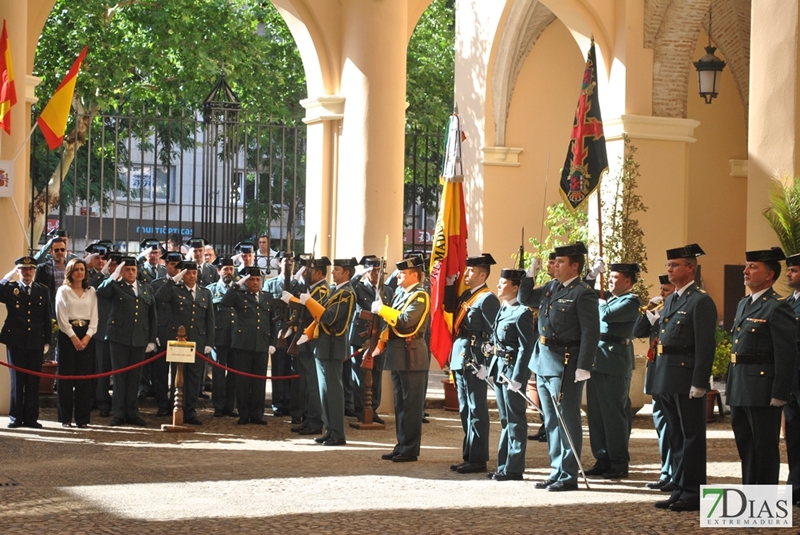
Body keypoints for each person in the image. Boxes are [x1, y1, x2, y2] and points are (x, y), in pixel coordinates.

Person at [518, 241, 599, 492]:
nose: (556, 265)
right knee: (551, 419)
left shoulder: (583, 292)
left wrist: (584, 364)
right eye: (556, 261)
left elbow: (590, 332)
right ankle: (557, 469)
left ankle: (568, 473)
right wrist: (529, 274)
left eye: (561, 262)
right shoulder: (552, 287)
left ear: (575, 266)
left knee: (567, 418)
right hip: (544, 360)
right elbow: (524, 298)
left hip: (566, 362)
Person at [650, 244, 716, 512]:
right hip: (667, 376)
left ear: (690, 268)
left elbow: (705, 344)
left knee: (691, 437)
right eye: (668, 265)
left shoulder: (700, 300)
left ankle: (692, 492)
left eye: (675, 265)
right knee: (675, 436)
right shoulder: (674, 299)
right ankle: (678, 488)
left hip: (687, 376)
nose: (669, 269)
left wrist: (700, 382)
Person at [727, 247, 795, 485]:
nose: (745, 271)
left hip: (762, 389)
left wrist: (780, 392)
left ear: (769, 275)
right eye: (747, 266)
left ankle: (763, 501)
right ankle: (750, 498)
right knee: (745, 445)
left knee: (764, 448)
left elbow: (786, 354)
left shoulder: (777, 306)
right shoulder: (743, 304)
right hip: (740, 385)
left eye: (752, 267)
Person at [285, 258, 357, 445]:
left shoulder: (346, 294)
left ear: (347, 273)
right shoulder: (335, 291)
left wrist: (309, 302)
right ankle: (330, 430)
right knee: (325, 393)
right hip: (324, 346)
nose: (333, 273)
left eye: (338, 270)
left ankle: (338, 434)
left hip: (333, 347)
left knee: (333, 392)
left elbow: (328, 317)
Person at [584, 263, 642, 480]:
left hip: (614, 361)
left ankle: (618, 462)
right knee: (597, 414)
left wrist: (596, 303)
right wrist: (591, 276)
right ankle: (602, 459)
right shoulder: (610, 298)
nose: (609, 280)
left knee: (614, 415)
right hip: (598, 361)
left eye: (615, 277)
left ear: (627, 281)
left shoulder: (631, 301)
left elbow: (606, 314)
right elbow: (587, 298)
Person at [446, 253, 500, 474]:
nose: (465, 274)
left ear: (482, 274)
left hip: (475, 359)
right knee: (465, 409)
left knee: (476, 408)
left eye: (470, 271)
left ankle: (478, 458)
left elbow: (494, 333)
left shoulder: (487, 299)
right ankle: (469, 454)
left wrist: (487, 362)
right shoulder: (469, 295)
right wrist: (449, 285)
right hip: (461, 356)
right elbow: (450, 310)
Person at [372, 255, 431, 462]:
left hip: (412, 354)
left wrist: (382, 310)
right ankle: (401, 444)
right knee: (401, 404)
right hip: (399, 352)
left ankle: (410, 448)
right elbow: (391, 324)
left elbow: (406, 322)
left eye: (403, 273)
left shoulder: (420, 296)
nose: (398, 276)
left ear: (415, 275)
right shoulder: (400, 293)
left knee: (412, 405)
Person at [96, 257, 158, 426]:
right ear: (122, 272)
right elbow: (100, 293)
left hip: (139, 338)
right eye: (127, 270)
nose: (131, 273)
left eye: (133, 270)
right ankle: (118, 413)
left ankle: (132, 412)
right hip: (119, 338)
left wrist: (151, 339)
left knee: (134, 378)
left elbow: (152, 316)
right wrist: (112, 277)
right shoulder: (115, 286)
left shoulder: (146, 288)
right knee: (119, 377)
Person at [486, 268, 534, 481]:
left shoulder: (522, 312)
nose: (499, 285)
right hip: (499, 368)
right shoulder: (503, 310)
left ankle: (514, 468)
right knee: (505, 419)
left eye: (503, 283)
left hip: (511, 371)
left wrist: (518, 376)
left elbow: (526, 347)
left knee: (515, 419)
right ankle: (503, 465)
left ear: (515, 287)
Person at [155, 261, 215, 426]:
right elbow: (159, 296)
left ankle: (191, 411)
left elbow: (209, 319)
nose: (192, 276)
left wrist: (209, 341)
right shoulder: (174, 290)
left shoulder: (205, 293)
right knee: (178, 375)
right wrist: (175, 279)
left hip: (198, 340)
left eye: (194, 273)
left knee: (195, 378)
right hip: (179, 341)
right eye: (188, 273)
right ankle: (177, 408)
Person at [633, 274, 676, 492]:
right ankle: (666, 472)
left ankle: (674, 473)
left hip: (670, 374)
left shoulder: (674, 314)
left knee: (673, 427)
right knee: (661, 425)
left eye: (666, 291)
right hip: (656, 372)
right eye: (661, 290)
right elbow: (637, 332)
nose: (662, 294)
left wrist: (660, 318)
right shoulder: (657, 313)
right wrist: (649, 314)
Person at [0, 257, 52, 429]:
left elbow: (46, 316)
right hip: (16, 341)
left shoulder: (42, 290)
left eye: (30, 269)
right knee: (17, 380)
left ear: (34, 271)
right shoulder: (11, 289)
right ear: (18, 271)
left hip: (35, 341)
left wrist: (47, 341)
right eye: (23, 269)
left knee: (33, 381)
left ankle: (31, 417)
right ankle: (16, 417)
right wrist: (7, 277)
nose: (27, 273)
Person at [221, 266, 276, 425]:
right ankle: (244, 414)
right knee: (243, 382)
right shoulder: (239, 295)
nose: (255, 282)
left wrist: (272, 343)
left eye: (258, 279)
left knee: (259, 381)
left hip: (261, 344)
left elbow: (273, 322)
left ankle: (257, 414)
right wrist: (237, 284)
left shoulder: (267, 297)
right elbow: (225, 303)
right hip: (243, 344)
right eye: (251, 279)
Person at [55, 258, 99, 428]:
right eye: (76, 269)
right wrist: (73, 337)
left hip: (86, 334)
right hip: (68, 335)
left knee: (84, 379)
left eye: (82, 269)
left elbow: (95, 316)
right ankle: (65, 418)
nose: (79, 272)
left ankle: (82, 419)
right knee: (66, 379)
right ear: (70, 272)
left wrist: (87, 336)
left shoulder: (91, 291)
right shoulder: (63, 291)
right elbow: (61, 316)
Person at [349, 255, 393, 424]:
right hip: (361, 338)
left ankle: (373, 409)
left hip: (380, 337)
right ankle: (360, 409)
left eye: (378, 270)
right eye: (372, 270)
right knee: (360, 375)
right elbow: (346, 288)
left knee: (377, 374)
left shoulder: (386, 290)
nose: (376, 273)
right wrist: (359, 274)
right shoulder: (358, 288)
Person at [289, 256, 330, 435]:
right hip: (305, 341)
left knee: (313, 385)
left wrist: (294, 302)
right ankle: (307, 419)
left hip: (312, 341)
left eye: (309, 270)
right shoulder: (310, 289)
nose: (306, 273)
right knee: (305, 383)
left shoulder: (321, 290)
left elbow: (311, 312)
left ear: (319, 273)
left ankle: (315, 421)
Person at [262, 251, 299, 419]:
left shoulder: (298, 285)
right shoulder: (271, 284)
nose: (289, 263)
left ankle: (291, 402)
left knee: (292, 367)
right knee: (278, 368)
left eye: (291, 261)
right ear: (279, 263)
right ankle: (278, 403)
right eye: (286, 261)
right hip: (278, 331)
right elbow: (265, 309)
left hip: (295, 331)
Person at [149, 252, 184, 417]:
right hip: (162, 334)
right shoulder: (156, 284)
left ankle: (177, 404)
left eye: (178, 265)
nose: (175, 268)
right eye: (172, 264)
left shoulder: (186, 284)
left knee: (179, 372)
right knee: (161, 374)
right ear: (166, 265)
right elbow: (153, 310)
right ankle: (162, 404)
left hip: (180, 334)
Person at [208, 257, 239, 418]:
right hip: (219, 337)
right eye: (225, 269)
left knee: (233, 373)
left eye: (231, 269)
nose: (228, 272)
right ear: (218, 271)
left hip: (235, 337)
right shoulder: (211, 290)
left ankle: (229, 406)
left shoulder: (238, 289)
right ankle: (218, 406)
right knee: (219, 373)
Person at [784, 253, 800, 506]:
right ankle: (795, 486)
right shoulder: (787, 303)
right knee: (794, 436)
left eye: (794, 270)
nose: (788, 274)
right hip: (791, 378)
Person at [35, 237, 69, 314]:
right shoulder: (42, 268)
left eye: (62, 249)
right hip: (49, 309)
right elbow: (37, 290)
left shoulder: (72, 267)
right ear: (51, 251)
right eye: (56, 250)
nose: (60, 252)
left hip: (68, 308)